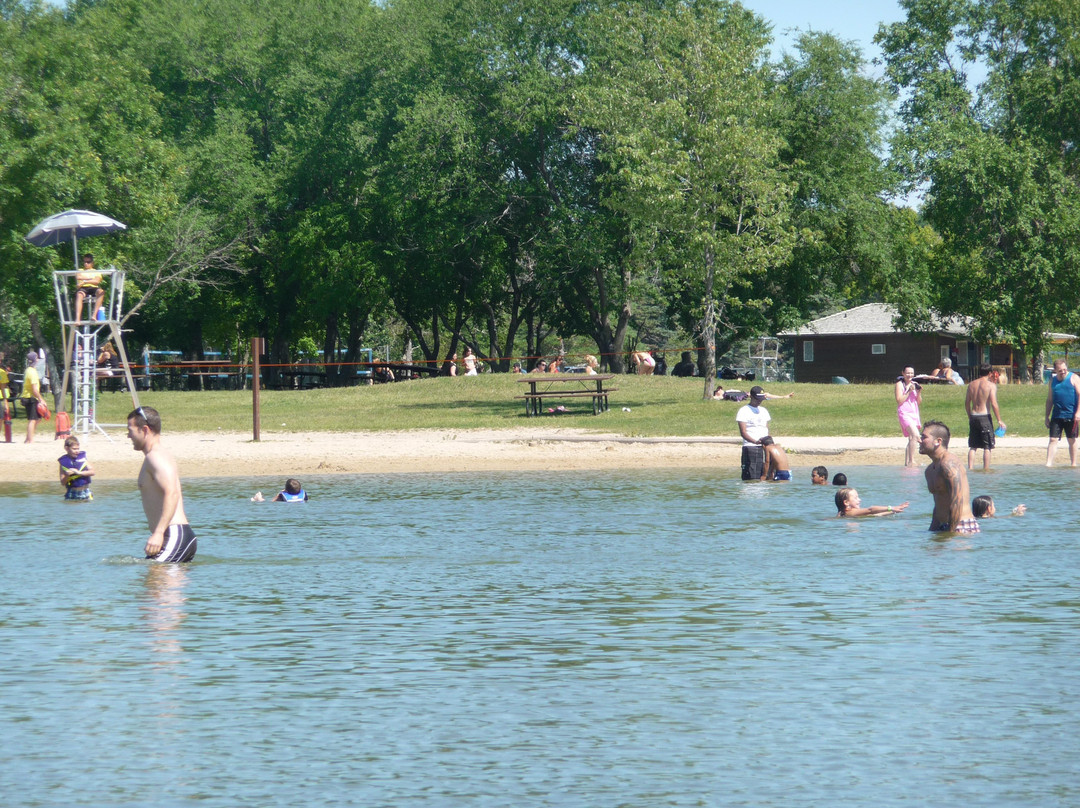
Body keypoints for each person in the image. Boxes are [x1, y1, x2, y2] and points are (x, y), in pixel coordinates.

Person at [127, 406, 197, 562]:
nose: (128, 436)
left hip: (173, 534)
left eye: (130, 430)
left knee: (154, 575)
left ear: (144, 430)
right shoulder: (154, 456)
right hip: (172, 536)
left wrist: (158, 533)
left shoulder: (156, 457)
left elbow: (172, 493)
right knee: (153, 583)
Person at [919, 419, 979, 534]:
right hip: (943, 527)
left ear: (938, 441)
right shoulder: (929, 470)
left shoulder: (949, 465)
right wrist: (932, 531)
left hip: (961, 526)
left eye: (924, 437)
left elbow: (957, 501)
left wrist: (951, 534)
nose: (919, 440)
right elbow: (938, 505)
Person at [965, 363, 1004, 470]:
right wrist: (999, 420)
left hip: (973, 416)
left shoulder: (971, 384)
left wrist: (970, 416)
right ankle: (986, 469)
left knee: (973, 446)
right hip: (984, 417)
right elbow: (994, 403)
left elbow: (967, 403)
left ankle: (970, 468)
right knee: (987, 447)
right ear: (990, 373)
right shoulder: (991, 385)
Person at [1044, 358, 1080, 467]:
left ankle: (1073, 464)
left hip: (1071, 415)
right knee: (1053, 439)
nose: (1063, 371)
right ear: (1055, 370)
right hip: (1057, 415)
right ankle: (1048, 464)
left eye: (1064, 369)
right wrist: (1046, 416)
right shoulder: (1053, 381)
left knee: (1071, 439)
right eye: (1060, 370)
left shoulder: (1074, 378)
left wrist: (1078, 412)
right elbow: (1050, 399)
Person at [735, 386, 771, 481]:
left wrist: (768, 442)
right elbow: (743, 432)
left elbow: (766, 429)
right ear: (751, 396)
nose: (759, 401)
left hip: (765, 446)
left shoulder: (764, 411)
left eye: (761, 399)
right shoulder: (744, 411)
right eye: (757, 399)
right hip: (751, 447)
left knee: (766, 475)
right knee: (752, 476)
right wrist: (755, 441)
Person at [895, 366, 923, 467]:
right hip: (904, 413)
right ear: (903, 373)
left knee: (912, 437)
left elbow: (918, 402)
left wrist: (918, 392)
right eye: (907, 373)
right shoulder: (899, 385)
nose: (910, 375)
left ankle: (907, 463)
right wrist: (909, 391)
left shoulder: (914, 384)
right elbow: (899, 400)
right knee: (916, 435)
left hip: (914, 413)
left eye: (912, 373)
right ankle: (912, 461)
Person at [19, 351, 47, 443]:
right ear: (35, 360)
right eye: (37, 358)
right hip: (30, 397)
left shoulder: (28, 370)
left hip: (28, 397)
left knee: (37, 419)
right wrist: (41, 399)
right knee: (33, 419)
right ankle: (30, 440)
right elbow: (35, 389)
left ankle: (28, 438)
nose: (38, 359)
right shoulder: (32, 372)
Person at [58, 436, 95, 501]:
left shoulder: (82, 459)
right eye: (74, 449)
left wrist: (79, 472)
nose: (77, 451)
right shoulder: (63, 462)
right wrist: (67, 475)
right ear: (66, 448)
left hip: (85, 491)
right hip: (72, 492)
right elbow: (63, 483)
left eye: (78, 449)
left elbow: (92, 472)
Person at [835, 488, 909, 518]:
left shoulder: (844, 513)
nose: (859, 500)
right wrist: (891, 507)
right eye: (856, 498)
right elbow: (870, 509)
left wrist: (893, 511)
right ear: (846, 502)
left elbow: (875, 514)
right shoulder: (851, 512)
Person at [74, 253, 106, 323]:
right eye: (84, 262)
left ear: (92, 263)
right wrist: (91, 278)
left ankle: (94, 315)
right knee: (79, 295)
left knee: (101, 292)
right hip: (83, 288)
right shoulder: (80, 270)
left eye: (88, 262)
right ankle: (77, 319)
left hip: (93, 288)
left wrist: (84, 281)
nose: (86, 264)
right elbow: (78, 277)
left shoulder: (96, 272)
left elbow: (96, 281)